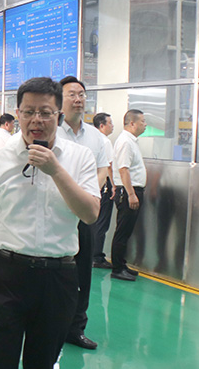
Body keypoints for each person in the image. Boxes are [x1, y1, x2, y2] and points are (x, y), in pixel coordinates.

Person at [0, 77, 100, 369]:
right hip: (8, 274)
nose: (36, 120)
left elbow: (90, 214)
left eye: (45, 112)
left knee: (42, 364)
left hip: (59, 277)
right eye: (28, 112)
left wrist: (55, 170)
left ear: (59, 116)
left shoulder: (79, 157)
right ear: (18, 114)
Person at [56, 76, 110, 351]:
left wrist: (87, 196)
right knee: (55, 269)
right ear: (59, 100)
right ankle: (50, 324)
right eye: (72, 94)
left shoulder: (96, 137)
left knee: (82, 272)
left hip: (84, 213)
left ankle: (76, 328)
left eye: (81, 94)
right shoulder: (51, 132)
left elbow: (102, 169)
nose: (78, 99)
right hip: (56, 212)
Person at [111, 109, 147, 281]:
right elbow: (123, 170)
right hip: (128, 192)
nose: (145, 124)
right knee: (122, 231)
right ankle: (117, 268)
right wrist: (131, 194)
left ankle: (122, 264)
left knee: (126, 232)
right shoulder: (125, 142)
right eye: (142, 121)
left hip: (131, 190)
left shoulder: (131, 141)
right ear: (132, 124)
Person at [92, 112, 115, 269]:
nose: (112, 126)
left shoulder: (92, 140)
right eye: (110, 123)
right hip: (104, 185)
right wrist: (113, 185)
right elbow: (109, 166)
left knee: (94, 220)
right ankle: (97, 256)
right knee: (102, 221)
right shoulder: (105, 142)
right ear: (102, 125)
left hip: (92, 184)